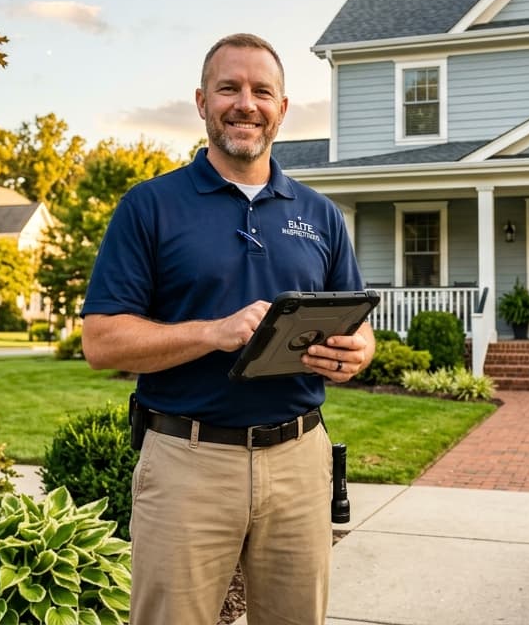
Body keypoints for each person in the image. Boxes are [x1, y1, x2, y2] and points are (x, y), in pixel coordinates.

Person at [81, 32, 375, 625]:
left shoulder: (319, 214)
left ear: (282, 108)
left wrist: (355, 353)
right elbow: (102, 340)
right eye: (228, 89)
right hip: (187, 462)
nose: (246, 104)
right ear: (201, 102)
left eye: (262, 91)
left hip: (299, 460)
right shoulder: (150, 205)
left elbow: (360, 327)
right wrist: (213, 333)